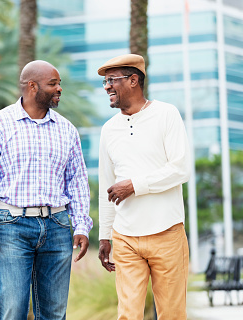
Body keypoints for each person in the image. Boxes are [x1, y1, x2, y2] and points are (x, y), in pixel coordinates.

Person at [0, 60, 92, 320]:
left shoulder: (67, 130)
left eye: (59, 84)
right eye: (53, 84)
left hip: (57, 226)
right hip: (11, 227)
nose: (59, 89)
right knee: (13, 310)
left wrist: (81, 225)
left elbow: (78, 181)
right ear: (32, 86)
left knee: (55, 313)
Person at [96, 54, 191, 320]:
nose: (106, 87)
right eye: (105, 81)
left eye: (112, 80)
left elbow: (180, 168)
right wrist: (105, 235)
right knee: (127, 315)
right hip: (125, 236)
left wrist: (135, 185)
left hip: (167, 232)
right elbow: (107, 185)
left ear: (133, 80)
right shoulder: (108, 130)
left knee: (172, 315)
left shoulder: (166, 114)